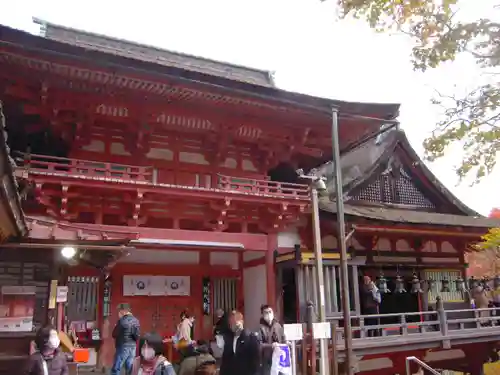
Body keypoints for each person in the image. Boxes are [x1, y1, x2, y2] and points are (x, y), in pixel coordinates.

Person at [219, 310, 260, 375]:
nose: (232, 325)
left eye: (234, 322)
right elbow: (225, 360)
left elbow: (255, 361)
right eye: (230, 323)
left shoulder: (251, 338)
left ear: (241, 322)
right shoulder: (228, 339)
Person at [111, 303, 141, 375]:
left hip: (123, 346)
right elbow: (137, 336)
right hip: (132, 346)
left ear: (123, 311)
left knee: (117, 367)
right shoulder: (136, 320)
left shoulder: (121, 321)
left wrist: (116, 326)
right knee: (130, 367)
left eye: (120, 310)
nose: (119, 312)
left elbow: (114, 334)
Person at [258, 305, 285, 375]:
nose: (268, 314)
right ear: (262, 315)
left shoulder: (278, 325)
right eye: (266, 313)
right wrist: (271, 345)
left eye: (270, 312)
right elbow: (259, 344)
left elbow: (283, 338)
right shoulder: (260, 328)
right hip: (267, 359)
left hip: (279, 358)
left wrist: (287, 342)